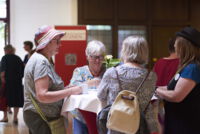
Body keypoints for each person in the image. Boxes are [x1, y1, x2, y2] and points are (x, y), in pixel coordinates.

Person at [23, 25, 83, 134]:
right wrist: (70, 91)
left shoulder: (43, 59)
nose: (60, 44)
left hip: (39, 115)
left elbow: (48, 89)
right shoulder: (41, 62)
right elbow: (42, 95)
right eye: (57, 41)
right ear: (47, 42)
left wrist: (65, 89)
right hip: (41, 117)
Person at [97, 35, 160, 134]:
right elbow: (149, 103)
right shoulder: (151, 76)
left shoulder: (112, 73)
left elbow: (101, 96)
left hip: (115, 125)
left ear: (125, 51)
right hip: (139, 127)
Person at [156, 27, 200, 134]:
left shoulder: (192, 68)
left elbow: (176, 96)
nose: (175, 46)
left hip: (186, 124)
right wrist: (157, 88)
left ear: (184, 47)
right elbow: (170, 87)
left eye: (177, 45)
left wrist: (156, 90)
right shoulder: (186, 67)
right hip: (177, 121)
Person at [69, 40, 106, 134]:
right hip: (81, 117)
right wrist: (90, 83)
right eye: (94, 57)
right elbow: (71, 90)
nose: (97, 60)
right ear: (87, 57)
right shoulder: (79, 72)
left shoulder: (108, 72)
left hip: (103, 117)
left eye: (100, 56)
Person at [153, 37, 179, 132]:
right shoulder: (182, 64)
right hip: (174, 103)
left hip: (158, 101)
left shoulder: (159, 62)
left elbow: (152, 82)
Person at [0, 45, 24, 124]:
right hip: (17, 82)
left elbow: (3, 70)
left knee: (5, 99)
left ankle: (5, 117)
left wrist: (2, 79)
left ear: (7, 50)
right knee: (16, 99)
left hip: (7, 82)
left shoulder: (5, 58)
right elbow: (23, 69)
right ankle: (15, 118)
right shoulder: (18, 58)